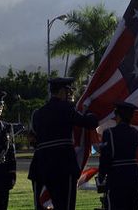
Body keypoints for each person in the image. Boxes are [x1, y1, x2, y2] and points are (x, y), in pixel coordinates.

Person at [28, 77, 99, 210]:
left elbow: (34, 139)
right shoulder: (66, 109)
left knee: (41, 206)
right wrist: (89, 110)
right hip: (63, 166)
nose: (70, 94)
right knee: (65, 205)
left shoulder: (37, 114)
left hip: (40, 167)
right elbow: (88, 123)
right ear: (61, 91)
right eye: (68, 91)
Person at [97, 101, 138, 210]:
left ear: (118, 115)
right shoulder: (136, 133)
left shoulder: (109, 133)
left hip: (117, 176)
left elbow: (106, 158)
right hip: (134, 175)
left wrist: (101, 176)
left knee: (116, 205)